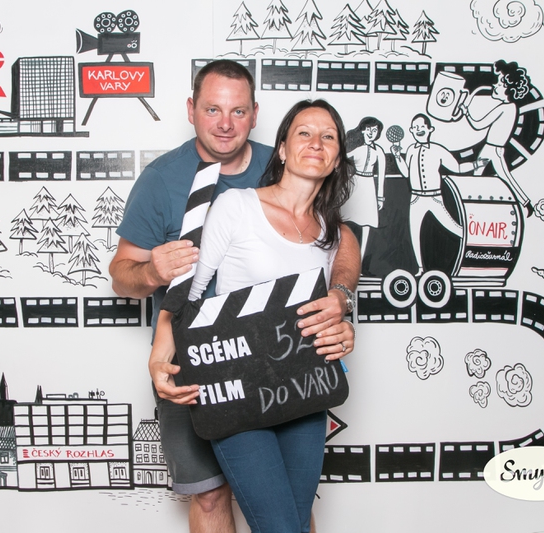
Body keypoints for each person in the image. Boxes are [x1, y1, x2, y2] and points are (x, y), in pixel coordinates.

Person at [110, 60, 360, 533]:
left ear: (255, 115)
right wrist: (155, 303)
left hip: (298, 380)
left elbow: (342, 238)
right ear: (191, 109)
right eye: (213, 109)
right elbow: (165, 286)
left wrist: (342, 300)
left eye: (238, 111)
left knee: (292, 514)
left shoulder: (296, 179)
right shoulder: (172, 182)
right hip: (211, 368)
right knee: (212, 497)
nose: (225, 123)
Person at [392, 114, 487, 276]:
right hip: (416, 199)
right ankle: (420, 269)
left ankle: (476, 250)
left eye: (422, 127)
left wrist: (476, 164)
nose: (419, 130)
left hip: (434, 198)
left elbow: (457, 168)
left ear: (430, 129)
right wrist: (396, 156)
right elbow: (406, 173)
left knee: (454, 227)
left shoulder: (438, 150)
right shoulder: (411, 149)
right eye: (415, 127)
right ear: (411, 130)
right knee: (415, 233)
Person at [460, 59, 534, 216]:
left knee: (495, 177)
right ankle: (524, 203)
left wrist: (466, 112)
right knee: (482, 176)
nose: (494, 85)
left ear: (508, 89)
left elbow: (478, 124)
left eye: (499, 83)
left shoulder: (505, 108)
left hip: (493, 149)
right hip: (492, 148)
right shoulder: (511, 108)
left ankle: (475, 207)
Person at [340, 116, 387, 261]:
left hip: (369, 185)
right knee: (347, 219)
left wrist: (380, 197)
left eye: (375, 130)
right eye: (369, 129)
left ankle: (360, 258)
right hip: (354, 183)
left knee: (367, 223)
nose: (371, 133)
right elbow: (341, 161)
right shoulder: (357, 149)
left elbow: (381, 176)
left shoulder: (379, 151)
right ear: (363, 130)